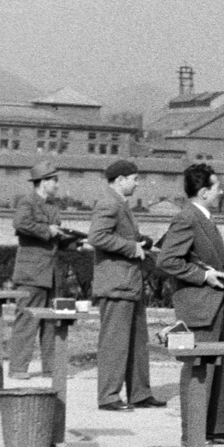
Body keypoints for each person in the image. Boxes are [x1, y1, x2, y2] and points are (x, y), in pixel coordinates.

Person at [156, 162, 224, 446]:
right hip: (200, 306)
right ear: (204, 192)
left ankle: (216, 428)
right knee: (199, 367)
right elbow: (167, 260)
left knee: (222, 366)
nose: (221, 192)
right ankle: (193, 433)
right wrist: (204, 276)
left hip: (218, 304)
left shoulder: (201, 216)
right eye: (217, 187)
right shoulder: (187, 218)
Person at [89, 159, 161, 411]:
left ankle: (139, 393)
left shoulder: (120, 203)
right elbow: (97, 236)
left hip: (129, 283)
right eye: (135, 179)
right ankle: (108, 396)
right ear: (120, 180)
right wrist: (132, 247)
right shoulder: (109, 201)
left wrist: (142, 242)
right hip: (117, 284)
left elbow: (118, 235)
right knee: (115, 342)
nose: (138, 183)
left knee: (138, 342)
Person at [9, 161, 79, 380]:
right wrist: (47, 230)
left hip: (52, 275)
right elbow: (20, 224)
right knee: (27, 320)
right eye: (54, 180)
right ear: (43, 182)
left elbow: (55, 239)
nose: (57, 185)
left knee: (51, 322)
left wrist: (75, 241)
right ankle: (18, 368)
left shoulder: (53, 207)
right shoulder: (27, 202)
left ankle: (51, 368)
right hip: (32, 274)